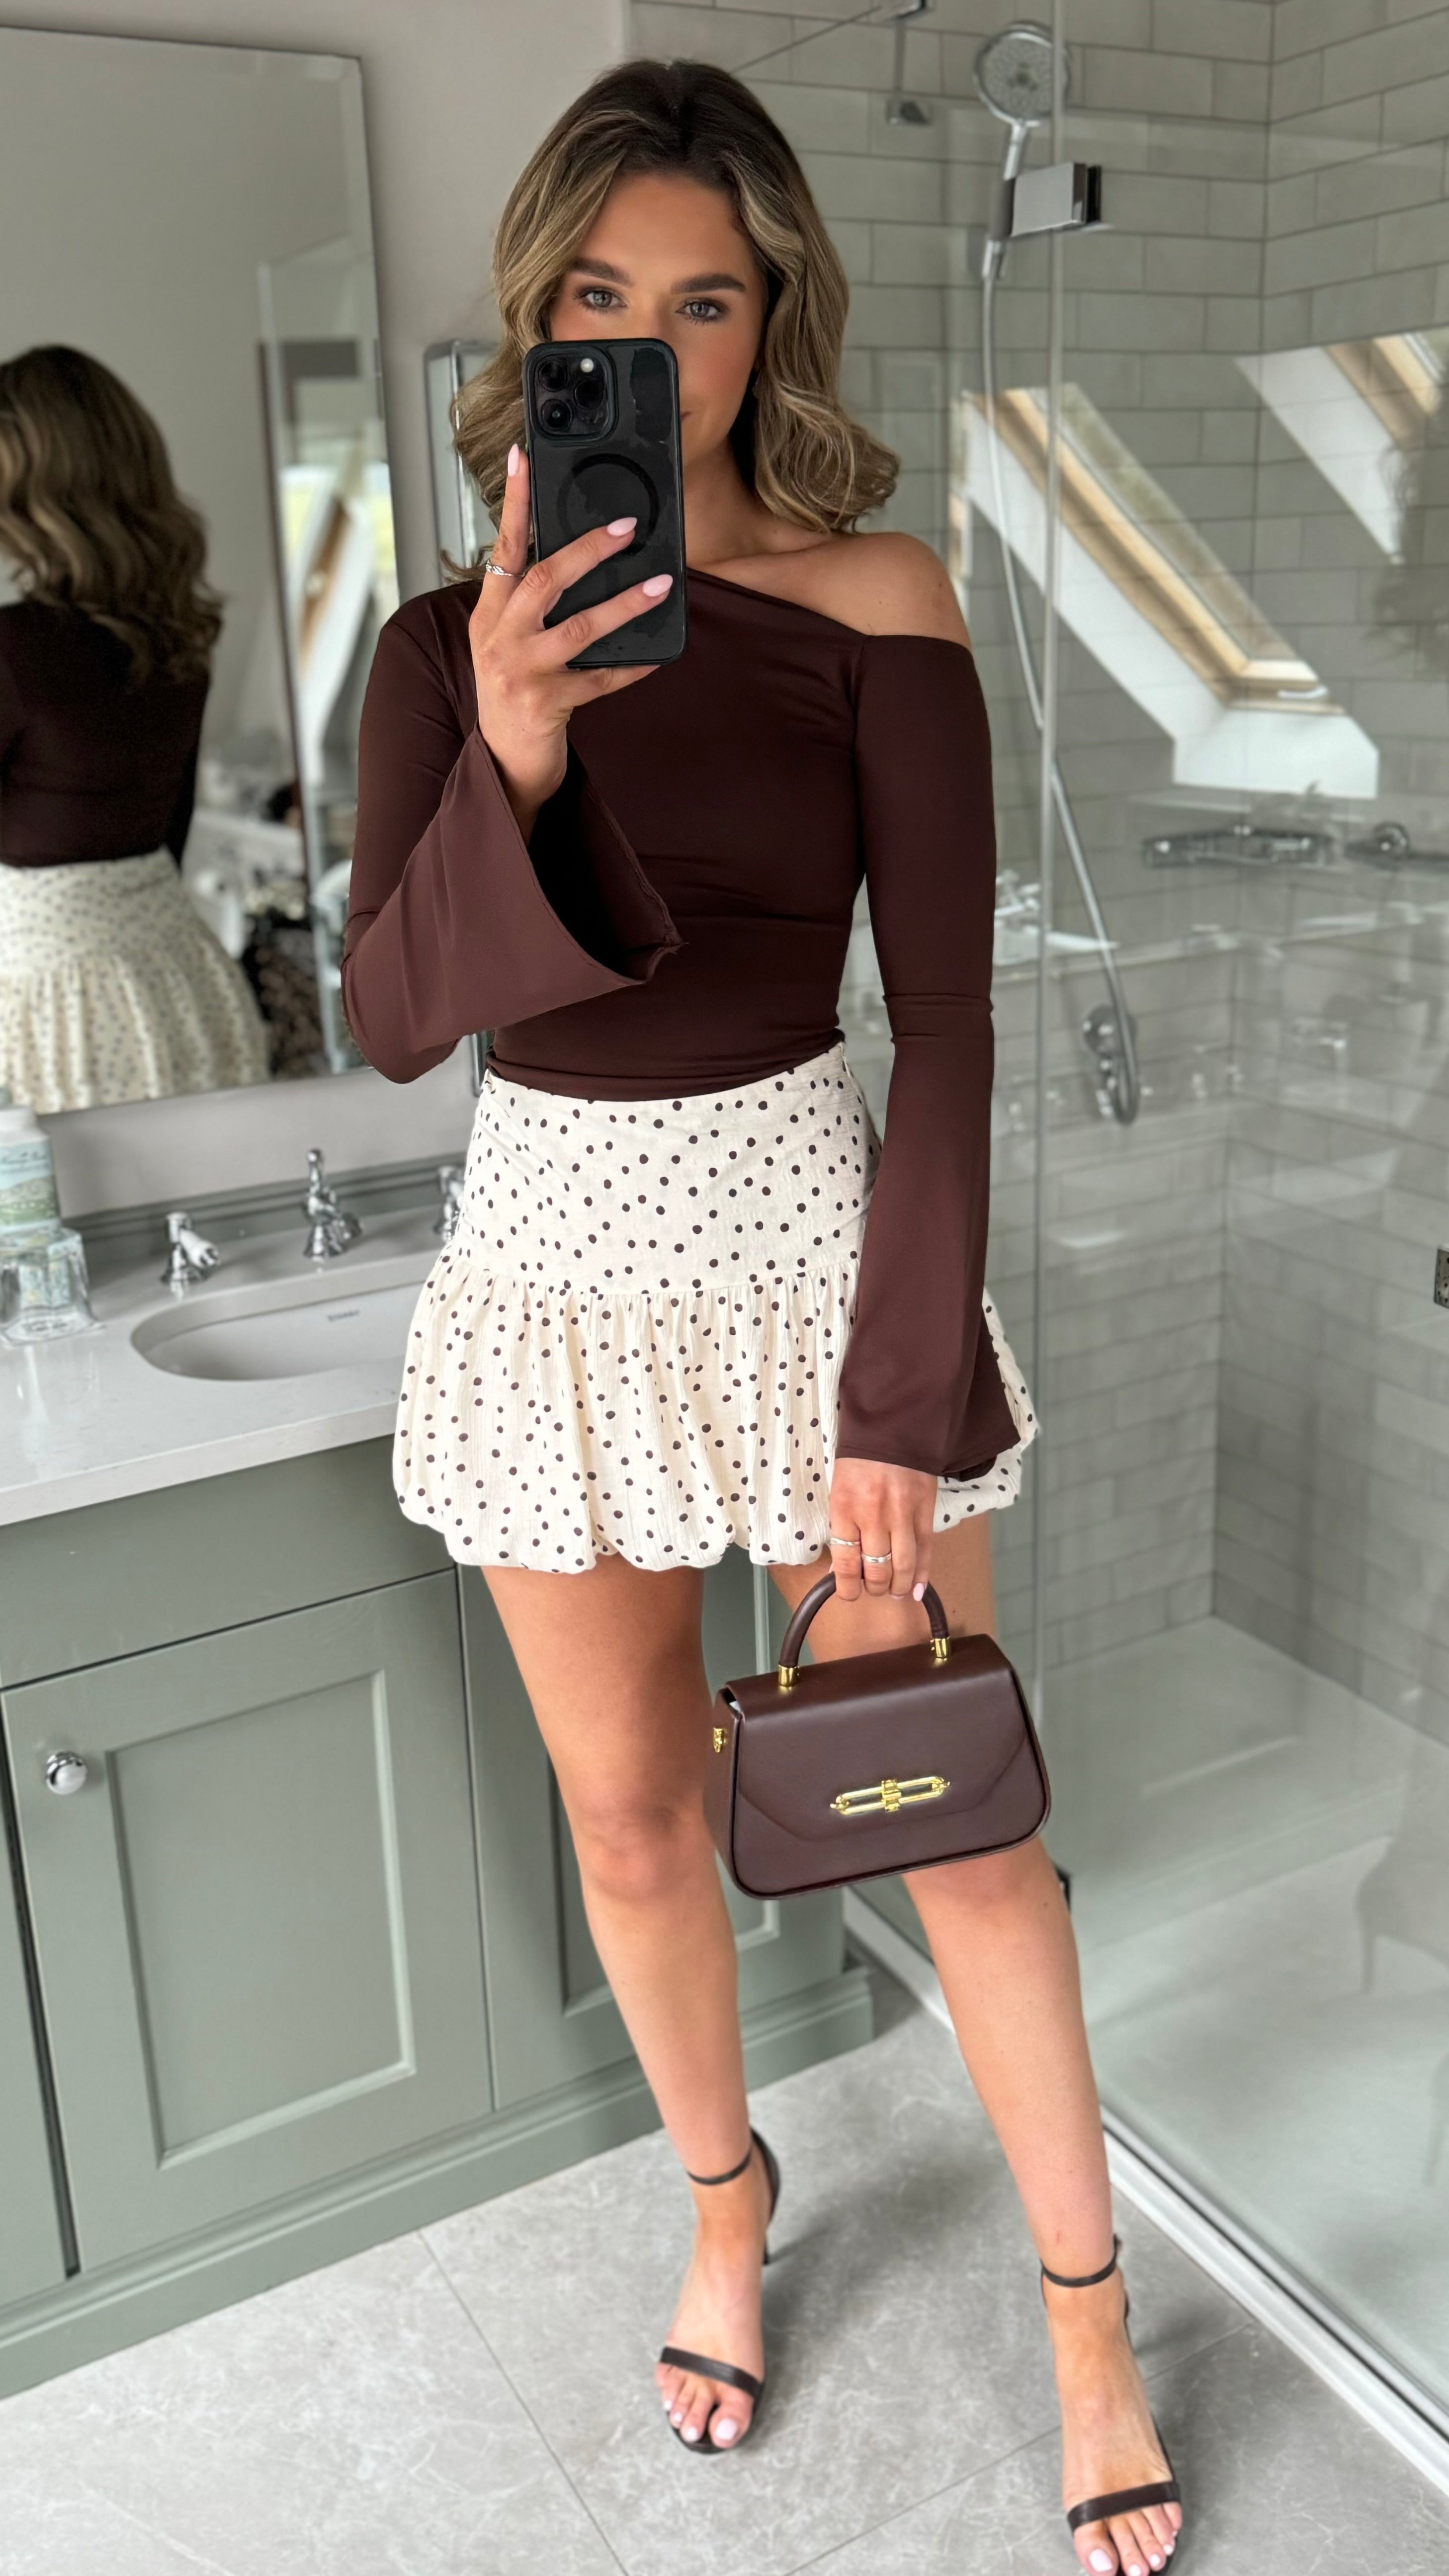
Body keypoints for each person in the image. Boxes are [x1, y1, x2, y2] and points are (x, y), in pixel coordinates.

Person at [344, 59, 1183, 2576]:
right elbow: (393, 1016)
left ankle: (1090, 2322)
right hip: (550, 1261)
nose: (658, 346)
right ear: (540, 322)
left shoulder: (879, 599)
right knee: (629, 1821)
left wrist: (899, 1395)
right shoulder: (440, 644)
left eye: (705, 302)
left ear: (769, 321)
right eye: (604, 299)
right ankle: (727, 2206)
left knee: (954, 1821)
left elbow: (954, 1025)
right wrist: (510, 741)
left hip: (818, 1247)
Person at [0, 346, 269, 1111]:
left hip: (56, 1011)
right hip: (180, 987)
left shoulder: (16, 650)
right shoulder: (179, 641)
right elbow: (168, 835)